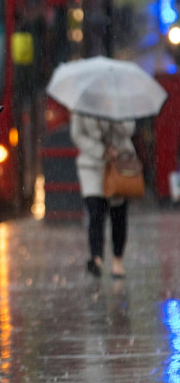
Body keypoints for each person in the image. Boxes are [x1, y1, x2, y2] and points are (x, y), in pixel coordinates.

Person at [70, 113, 136, 278]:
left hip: (118, 163)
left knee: (118, 213)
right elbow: (77, 134)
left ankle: (117, 260)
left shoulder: (120, 102)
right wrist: (100, 150)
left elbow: (129, 130)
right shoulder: (82, 105)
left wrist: (113, 117)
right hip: (92, 165)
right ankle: (96, 257)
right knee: (95, 211)